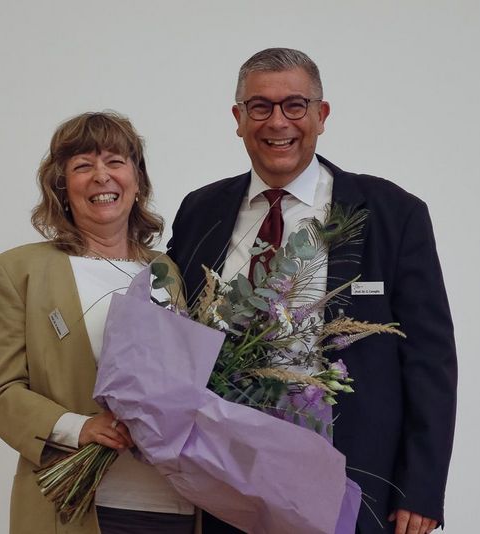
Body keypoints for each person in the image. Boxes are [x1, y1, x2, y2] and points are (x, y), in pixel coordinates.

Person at [167, 48, 457, 534]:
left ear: (321, 116)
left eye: (294, 105)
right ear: (238, 119)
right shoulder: (201, 210)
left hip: (352, 477)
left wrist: (421, 488)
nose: (277, 121)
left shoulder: (392, 213)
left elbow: (430, 359)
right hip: (224, 479)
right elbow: (174, 336)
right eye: (259, 106)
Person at [0, 111, 195, 534]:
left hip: (174, 506)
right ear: (62, 188)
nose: (102, 176)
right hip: (79, 507)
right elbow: (2, 396)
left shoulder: (166, 271)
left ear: (137, 181)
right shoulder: (16, 270)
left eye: (115, 161)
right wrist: (82, 429)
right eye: (82, 166)